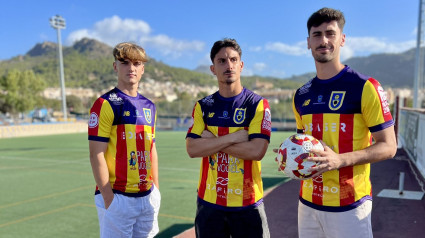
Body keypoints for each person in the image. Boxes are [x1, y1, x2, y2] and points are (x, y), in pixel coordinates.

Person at [291, 7, 397, 238]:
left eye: (330, 33)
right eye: (317, 35)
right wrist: (291, 159)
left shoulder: (365, 87)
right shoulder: (301, 95)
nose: (324, 40)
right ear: (308, 42)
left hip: (350, 206)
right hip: (307, 203)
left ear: (342, 39)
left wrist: (340, 160)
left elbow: (389, 146)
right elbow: (303, 143)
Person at [186, 38, 272, 238]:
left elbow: (257, 151)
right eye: (222, 61)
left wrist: (211, 141)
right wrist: (233, 138)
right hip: (209, 205)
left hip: (248, 205)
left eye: (233, 60)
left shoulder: (257, 104)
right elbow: (192, 149)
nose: (229, 65)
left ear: (241, 65)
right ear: (213, 68)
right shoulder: (203, 106)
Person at [88, 42, 160, 238]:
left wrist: (156, 190)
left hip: (147, 197)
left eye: (136, 63)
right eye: (125, 62)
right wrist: (108, 198)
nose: (131, 68)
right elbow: (96, 153)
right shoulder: (105, 104)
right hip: (118, 197)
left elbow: (151, 148)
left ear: (143, 69)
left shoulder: (149, 106)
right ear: (115, 66)